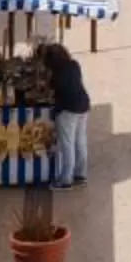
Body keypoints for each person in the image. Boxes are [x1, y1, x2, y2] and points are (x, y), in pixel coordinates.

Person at [41, 39, 92, 182]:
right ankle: (80, 174)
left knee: (67, 144)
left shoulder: (57, 74)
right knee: (80, 141)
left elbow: (52, 91)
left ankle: (66, 179)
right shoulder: (74, 65)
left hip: (68, 110)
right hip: (83, 104)